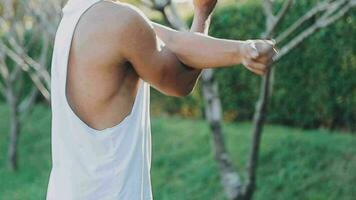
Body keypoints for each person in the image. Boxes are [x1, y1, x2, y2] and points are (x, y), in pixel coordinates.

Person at [46, 0, 277, 199]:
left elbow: (177, 42)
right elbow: (179, 81)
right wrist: (205, 17)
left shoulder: (76, 16)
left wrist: (243, 49)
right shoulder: (122, 23)